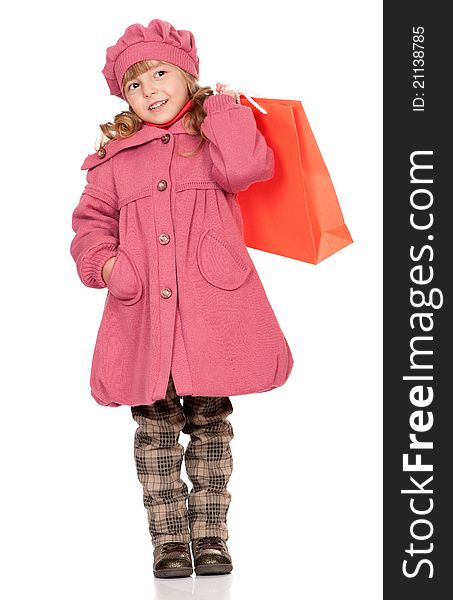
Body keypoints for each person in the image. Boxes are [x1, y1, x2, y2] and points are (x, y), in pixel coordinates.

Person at [70, 18, 294, 578]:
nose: (150, 92)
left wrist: (223, 111)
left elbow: (246, 169)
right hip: (144, 310)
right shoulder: (115, 160)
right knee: (155, 430)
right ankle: (169, 542)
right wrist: (108, 264)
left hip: (209, 310)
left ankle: (211, 537)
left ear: (188, 74)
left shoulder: (216, 138)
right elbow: (90, 223)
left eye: (160, 74)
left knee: (212, 422)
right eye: (135, 85)